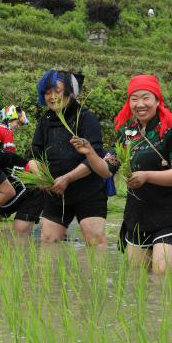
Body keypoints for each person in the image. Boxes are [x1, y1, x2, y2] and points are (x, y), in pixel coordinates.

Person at [71, 75, 172, 274]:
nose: (140, 104)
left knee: (161, 276)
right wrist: (90, 152)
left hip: (168, 216)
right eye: (134, 98)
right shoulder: (126, 134)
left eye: (146, 97)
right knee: (138, 280)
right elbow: (106, 170)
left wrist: (147, 176)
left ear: (157, 100)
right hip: (137, 217)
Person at [25, 69, 107, 247]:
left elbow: (96, 156)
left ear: (70, 92)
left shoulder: (86, 117)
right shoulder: (45, 120)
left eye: (57, 91)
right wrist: (41, 176)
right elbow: (33, 154)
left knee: (95, 242)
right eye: (47, 92)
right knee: (48, 241)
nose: (52, 96)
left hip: (88, 191)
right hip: (56, 192)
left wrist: (68, 178)